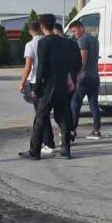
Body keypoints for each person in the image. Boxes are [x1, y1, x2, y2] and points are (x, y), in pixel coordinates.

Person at [20, 14, 81, 160]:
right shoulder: (68, 43)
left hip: (48, 86)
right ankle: (66, 149)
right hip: (64, 86)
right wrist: (71, 78)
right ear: (54, 25)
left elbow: (41, 67)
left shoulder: (44, 43)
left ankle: (35, 151)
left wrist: (36, 88)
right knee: (64, 117)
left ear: (42, 26)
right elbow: (78, 63)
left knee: (40, 117)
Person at [18, 18, 52, 155]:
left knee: (40, 114)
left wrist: (22, 82)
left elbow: (28, 66)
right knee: (45, 113)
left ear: (30, 30)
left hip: (36, 82)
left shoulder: (30, 44)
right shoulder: (48, 41)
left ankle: (48, 143)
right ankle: (50, 141)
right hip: (50, 81)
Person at [68, 20, 102, 140]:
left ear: (81, 28)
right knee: (94, 104)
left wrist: (76, 75)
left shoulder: (83, 40)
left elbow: (83, 59)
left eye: (75, 31)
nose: (74, 34)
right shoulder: (95, 40)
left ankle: (72, 130)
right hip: (94, 76)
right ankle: (96, 131)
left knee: (75, 104)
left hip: (83, 77)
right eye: (72, 32)